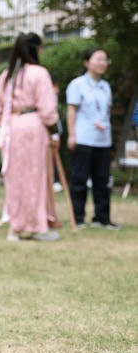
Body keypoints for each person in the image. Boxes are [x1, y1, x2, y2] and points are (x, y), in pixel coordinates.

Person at [0, 33, 60, 241]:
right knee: (36, 176)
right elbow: (48, 110)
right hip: (33, 125)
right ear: (36, 49)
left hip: (10, 127)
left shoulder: (6, 76)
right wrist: (54, 129)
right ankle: (38, 226)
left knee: (14, 178)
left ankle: (15, 226)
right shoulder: (39, 73)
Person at [65, 48, 119, 229]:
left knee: (102, 180)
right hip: (84, 138)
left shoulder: (106, 86)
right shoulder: (77, 84)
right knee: (79, 179)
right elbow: (71, 110)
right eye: (98, 59)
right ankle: (78, 218)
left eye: (105, 60)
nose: (103, 63)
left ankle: (102, 218)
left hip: (103, 139)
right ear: (87, 62)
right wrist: (72, 135)